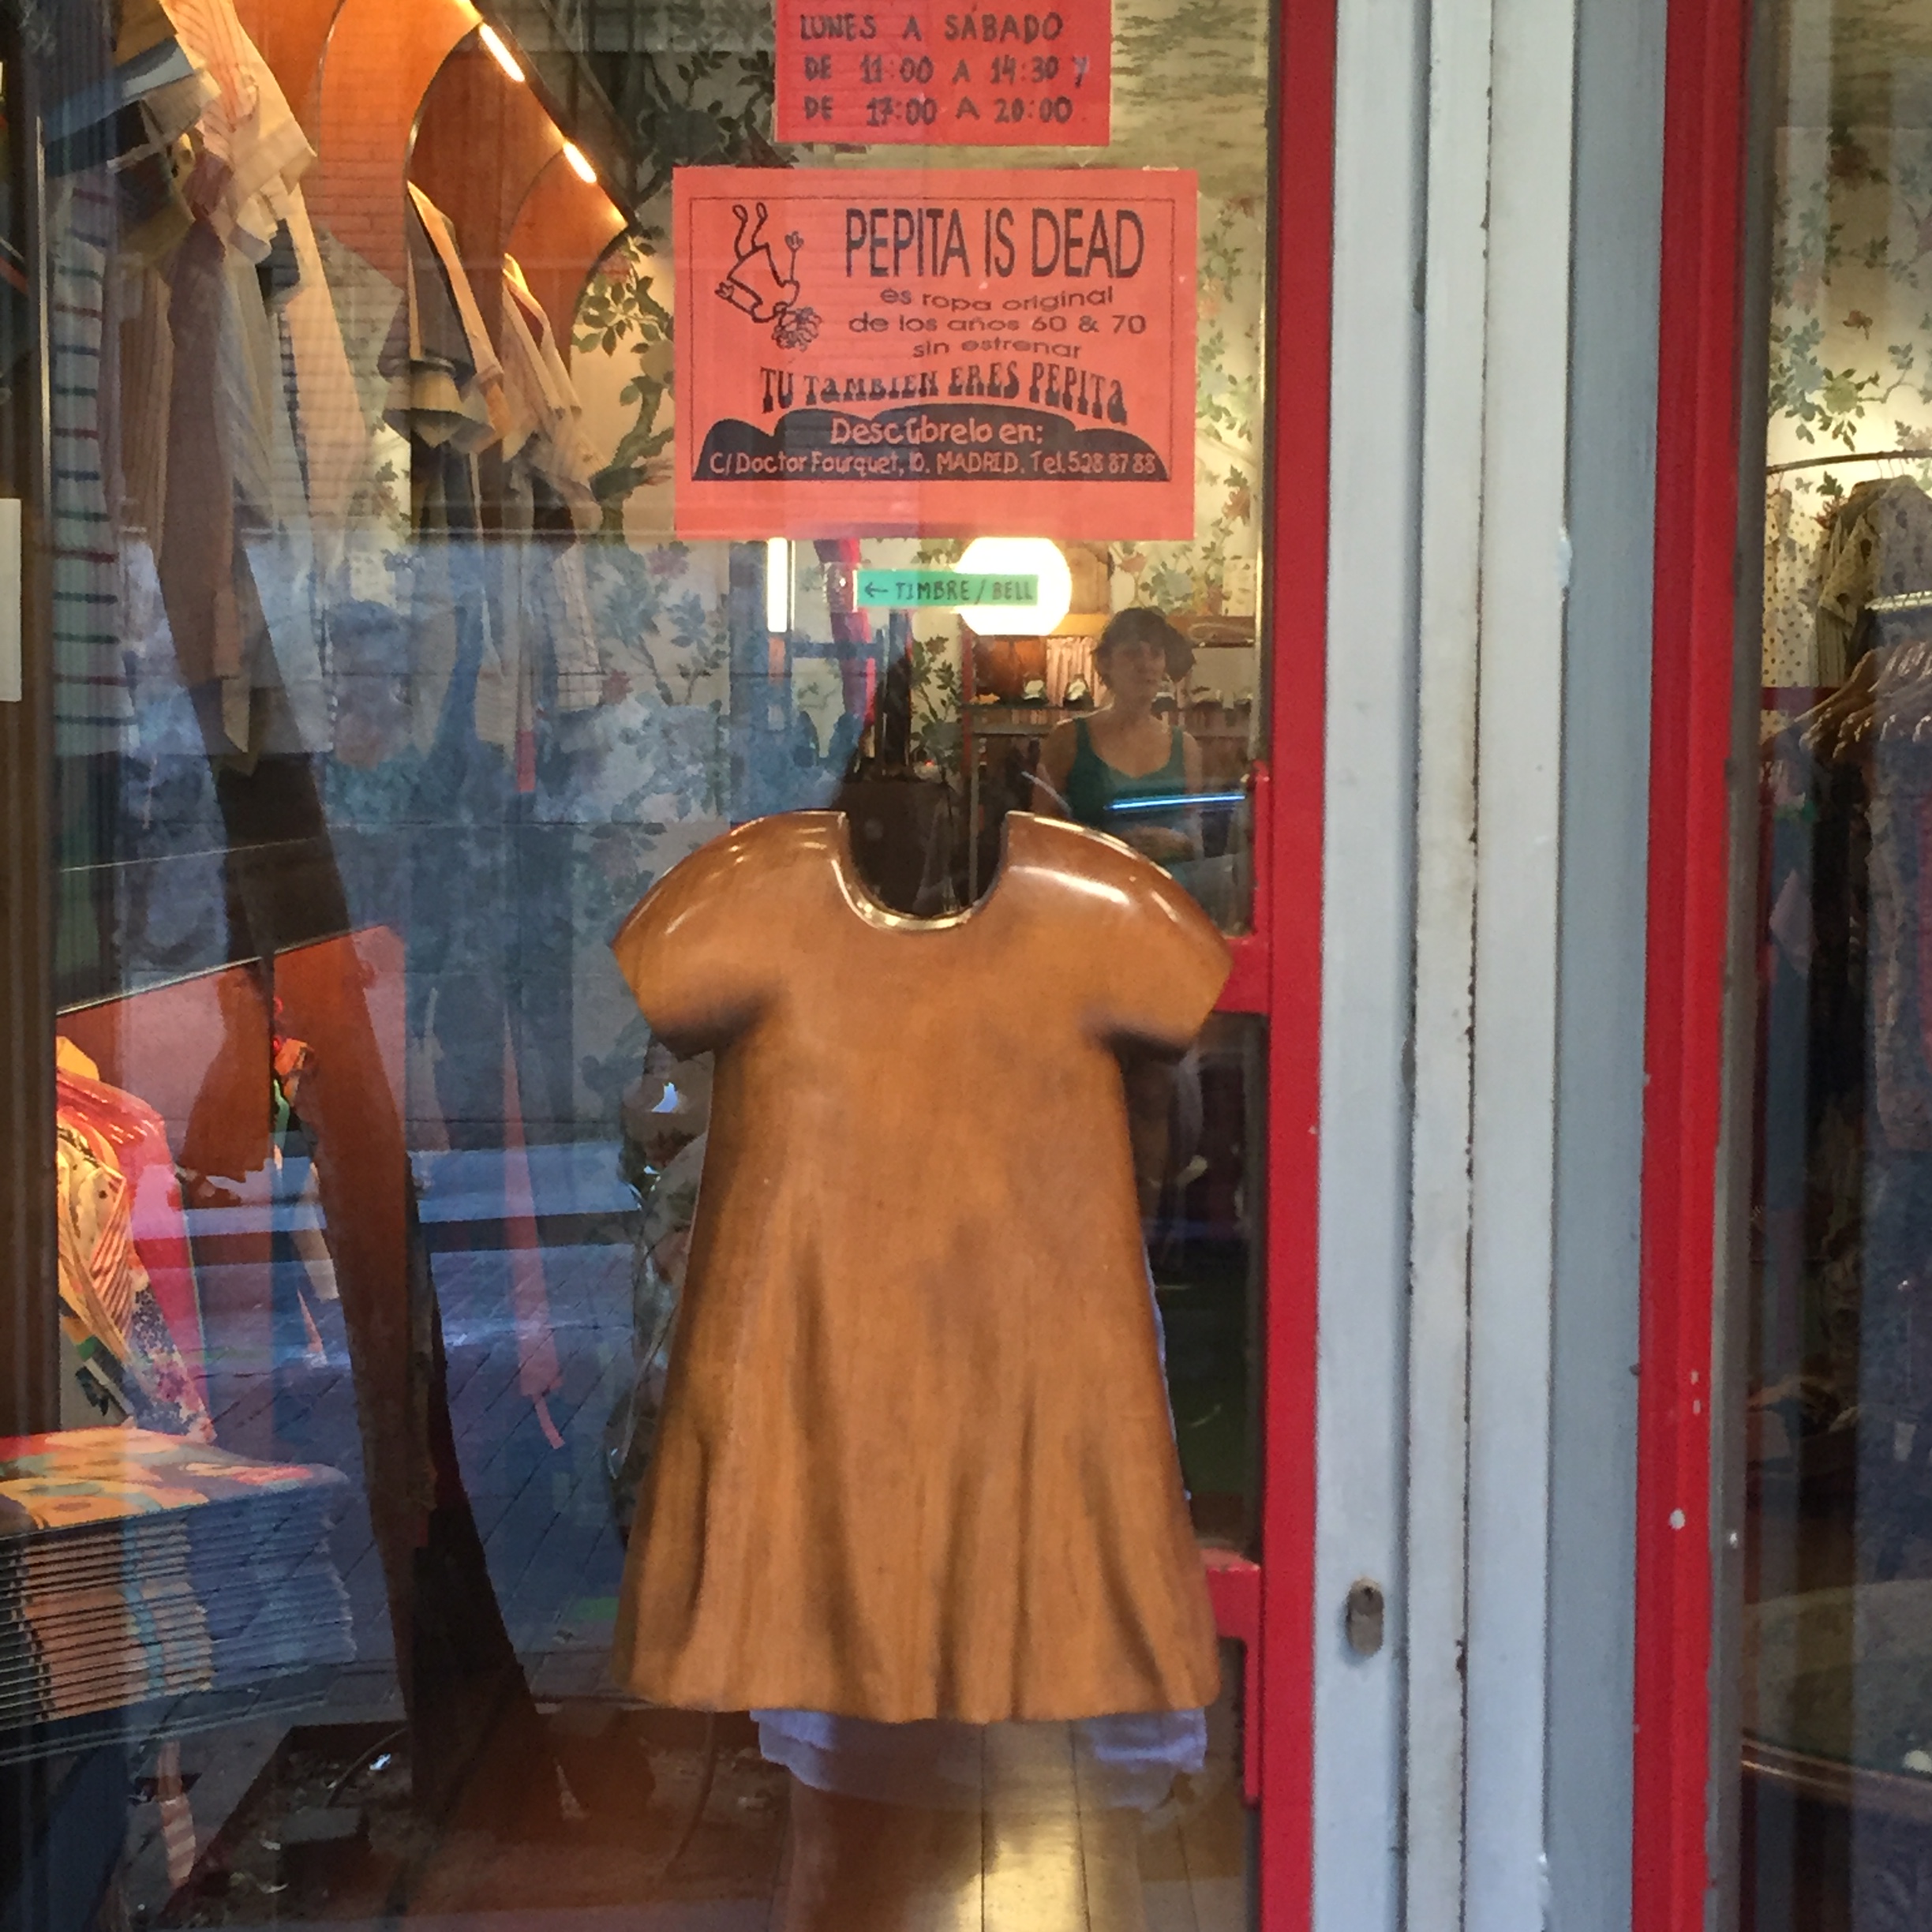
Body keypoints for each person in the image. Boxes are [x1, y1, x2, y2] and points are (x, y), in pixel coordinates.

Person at [1034, 606, 1203, 867]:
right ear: (1105, 663)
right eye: (1132, 653)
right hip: (1092, 887)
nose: (1146, 665)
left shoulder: (1186, 748)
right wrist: (1109, 844)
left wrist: (1176, 843)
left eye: (1155, 654)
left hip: (1165, 888)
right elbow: (1038, 838)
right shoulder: (1067, 739)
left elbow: (1196, 844)